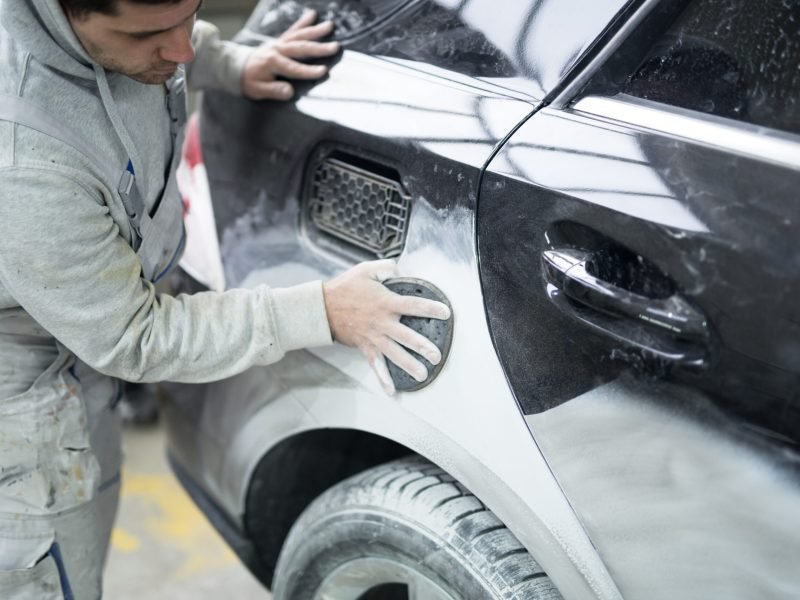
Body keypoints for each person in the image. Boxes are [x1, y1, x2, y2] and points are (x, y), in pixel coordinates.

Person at [0, 0, 450, 597]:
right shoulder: (24, 161)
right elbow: (133, 336)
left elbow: (175, 44)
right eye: (150, 34)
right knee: (55, 576)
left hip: (78, 352)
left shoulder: (132, 37)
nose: (181, 50)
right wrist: (319, 311)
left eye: (189, 15)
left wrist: (232, 62)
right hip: (25, 397)